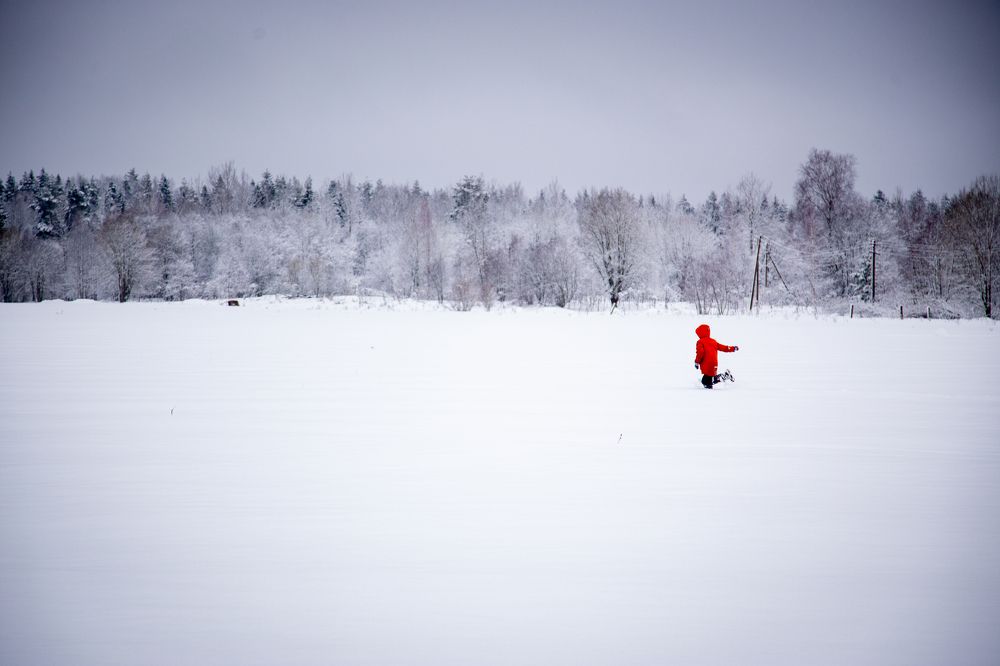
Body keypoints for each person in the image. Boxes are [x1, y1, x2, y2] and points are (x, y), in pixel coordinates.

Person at [694, 324, 738, 389]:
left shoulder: (700, 342)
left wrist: (697, 362)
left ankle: (724, 376)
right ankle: (723, 376)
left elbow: (700, 352)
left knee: (705, 382)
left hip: (707, 364)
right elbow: (723, 348)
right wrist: (732, 348)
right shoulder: (713, 341)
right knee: (708, 380)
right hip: (714, 364)